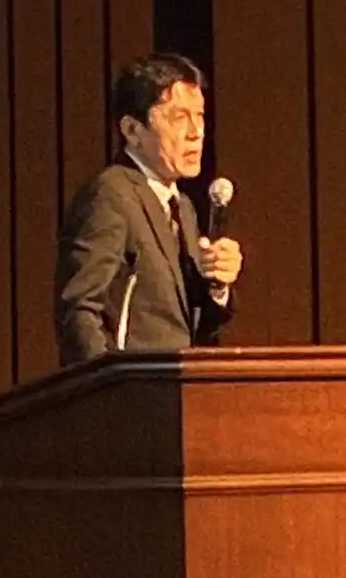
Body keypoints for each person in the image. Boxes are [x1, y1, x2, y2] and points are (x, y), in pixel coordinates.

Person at [54, 53, 244, 366]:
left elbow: (191, 327)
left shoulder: (182, 207)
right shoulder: (112, 194)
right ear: (132, 130)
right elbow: (78, 310)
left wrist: (217, 285)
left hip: (174, 385)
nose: (196, 132)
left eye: (200, 116)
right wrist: (106, 385)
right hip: (131, 388)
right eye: (179, 118)